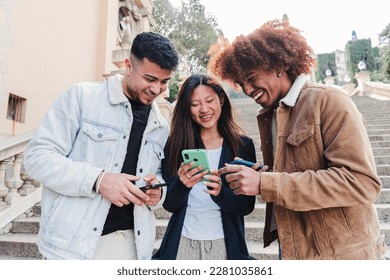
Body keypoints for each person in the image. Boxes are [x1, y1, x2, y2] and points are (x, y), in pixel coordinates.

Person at [209, 19, 387, 260]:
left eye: (251, 78)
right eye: (241, 84)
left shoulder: (329, 100)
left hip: (342, 255)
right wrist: (262, 173)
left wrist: (265, 183)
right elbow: (296, 172)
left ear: (280, 65)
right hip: (295, 249)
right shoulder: (271, 114)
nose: (248, 90)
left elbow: (360, 182)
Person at [23, 32, 179, 260]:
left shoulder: (161, 126)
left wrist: (158, 193)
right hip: (73, 248)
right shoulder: (81, 97)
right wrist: (99, 180)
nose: (157, 89)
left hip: (133, 248)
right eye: (149, 79)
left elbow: (154, 173)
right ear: (128, 66)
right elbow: (37, 158)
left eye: (164, 82)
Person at [152, 74, 256, 260]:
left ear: (221, 100)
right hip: (182, 241)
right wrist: (182, 184)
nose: (204, 109)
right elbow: (169, 204)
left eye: (209, 100)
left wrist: (220, 193)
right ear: (187, 108)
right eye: (195, 104)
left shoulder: (243, 146)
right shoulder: (174, 145)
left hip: (224, 243)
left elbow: (246, 206)